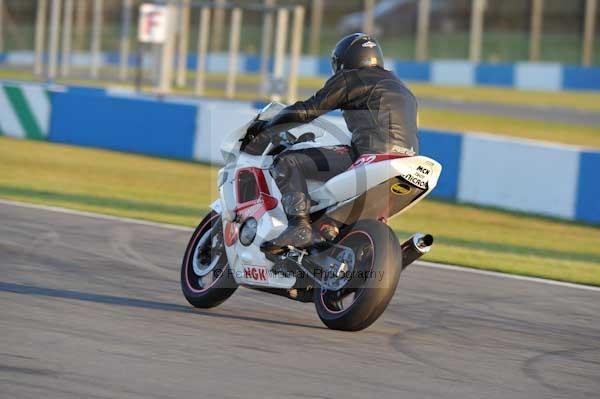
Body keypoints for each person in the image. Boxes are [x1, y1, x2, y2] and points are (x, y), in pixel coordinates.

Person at [242, 33, 420, 251]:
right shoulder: (402, 87)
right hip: (408, 160)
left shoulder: (352, 77)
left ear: (345, 60)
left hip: (370, 155)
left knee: (288, 162)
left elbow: (307, 111)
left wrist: (269, 125)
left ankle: (299, 227)